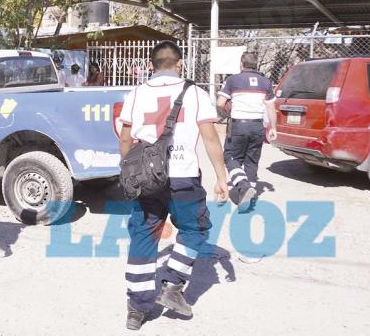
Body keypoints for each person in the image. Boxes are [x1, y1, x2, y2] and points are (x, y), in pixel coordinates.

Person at [118, 41, 229, 330]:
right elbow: (210, 137)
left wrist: (130, 171)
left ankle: (136, 309)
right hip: (184, 176)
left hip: (146, 178)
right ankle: (172, 286)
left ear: (152, 65)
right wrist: (221, 176)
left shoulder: (136, 93)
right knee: (195, 229)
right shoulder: (195, 93)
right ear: (179, 64)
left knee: (143, 235)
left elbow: (125, 137)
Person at [216, 52, 277, 212]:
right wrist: (273, 128)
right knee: (251, 162)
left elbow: (220, 102)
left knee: (230, 157)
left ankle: (243, 186)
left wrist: (228, 111)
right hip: (258, 126)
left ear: (241, 64)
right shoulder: (266, 82)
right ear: (256, 65)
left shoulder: (233, 80)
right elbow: (271, 108)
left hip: (239, 126)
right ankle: (247, 200)